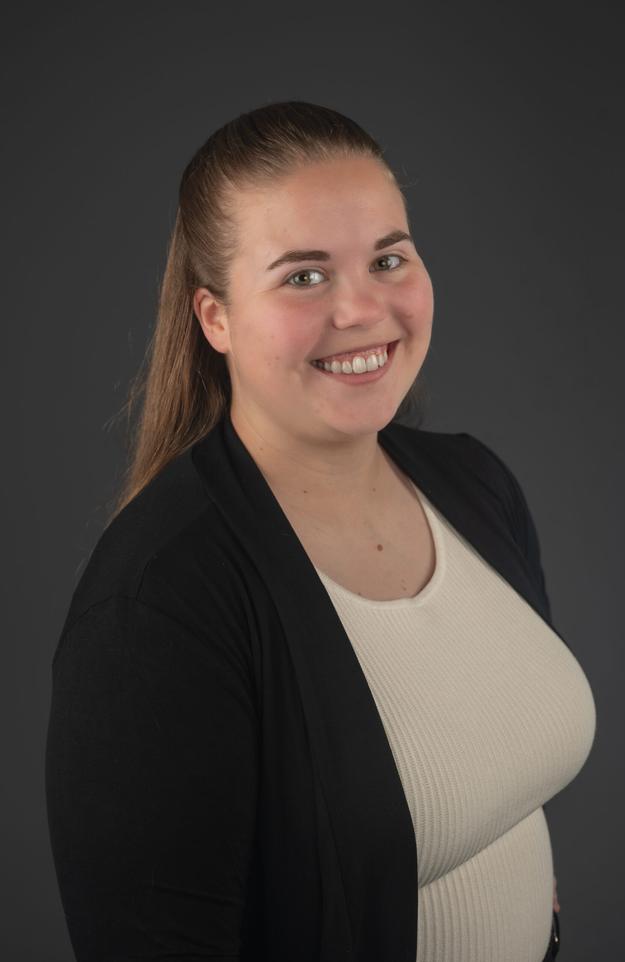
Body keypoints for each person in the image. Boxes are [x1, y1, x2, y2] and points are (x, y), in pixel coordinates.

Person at [45, 100, 595, 962]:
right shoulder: (157, 606)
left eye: (388, 258)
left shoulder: (475, 485)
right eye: (304, 277)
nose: (362, 309)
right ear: (215, 318)